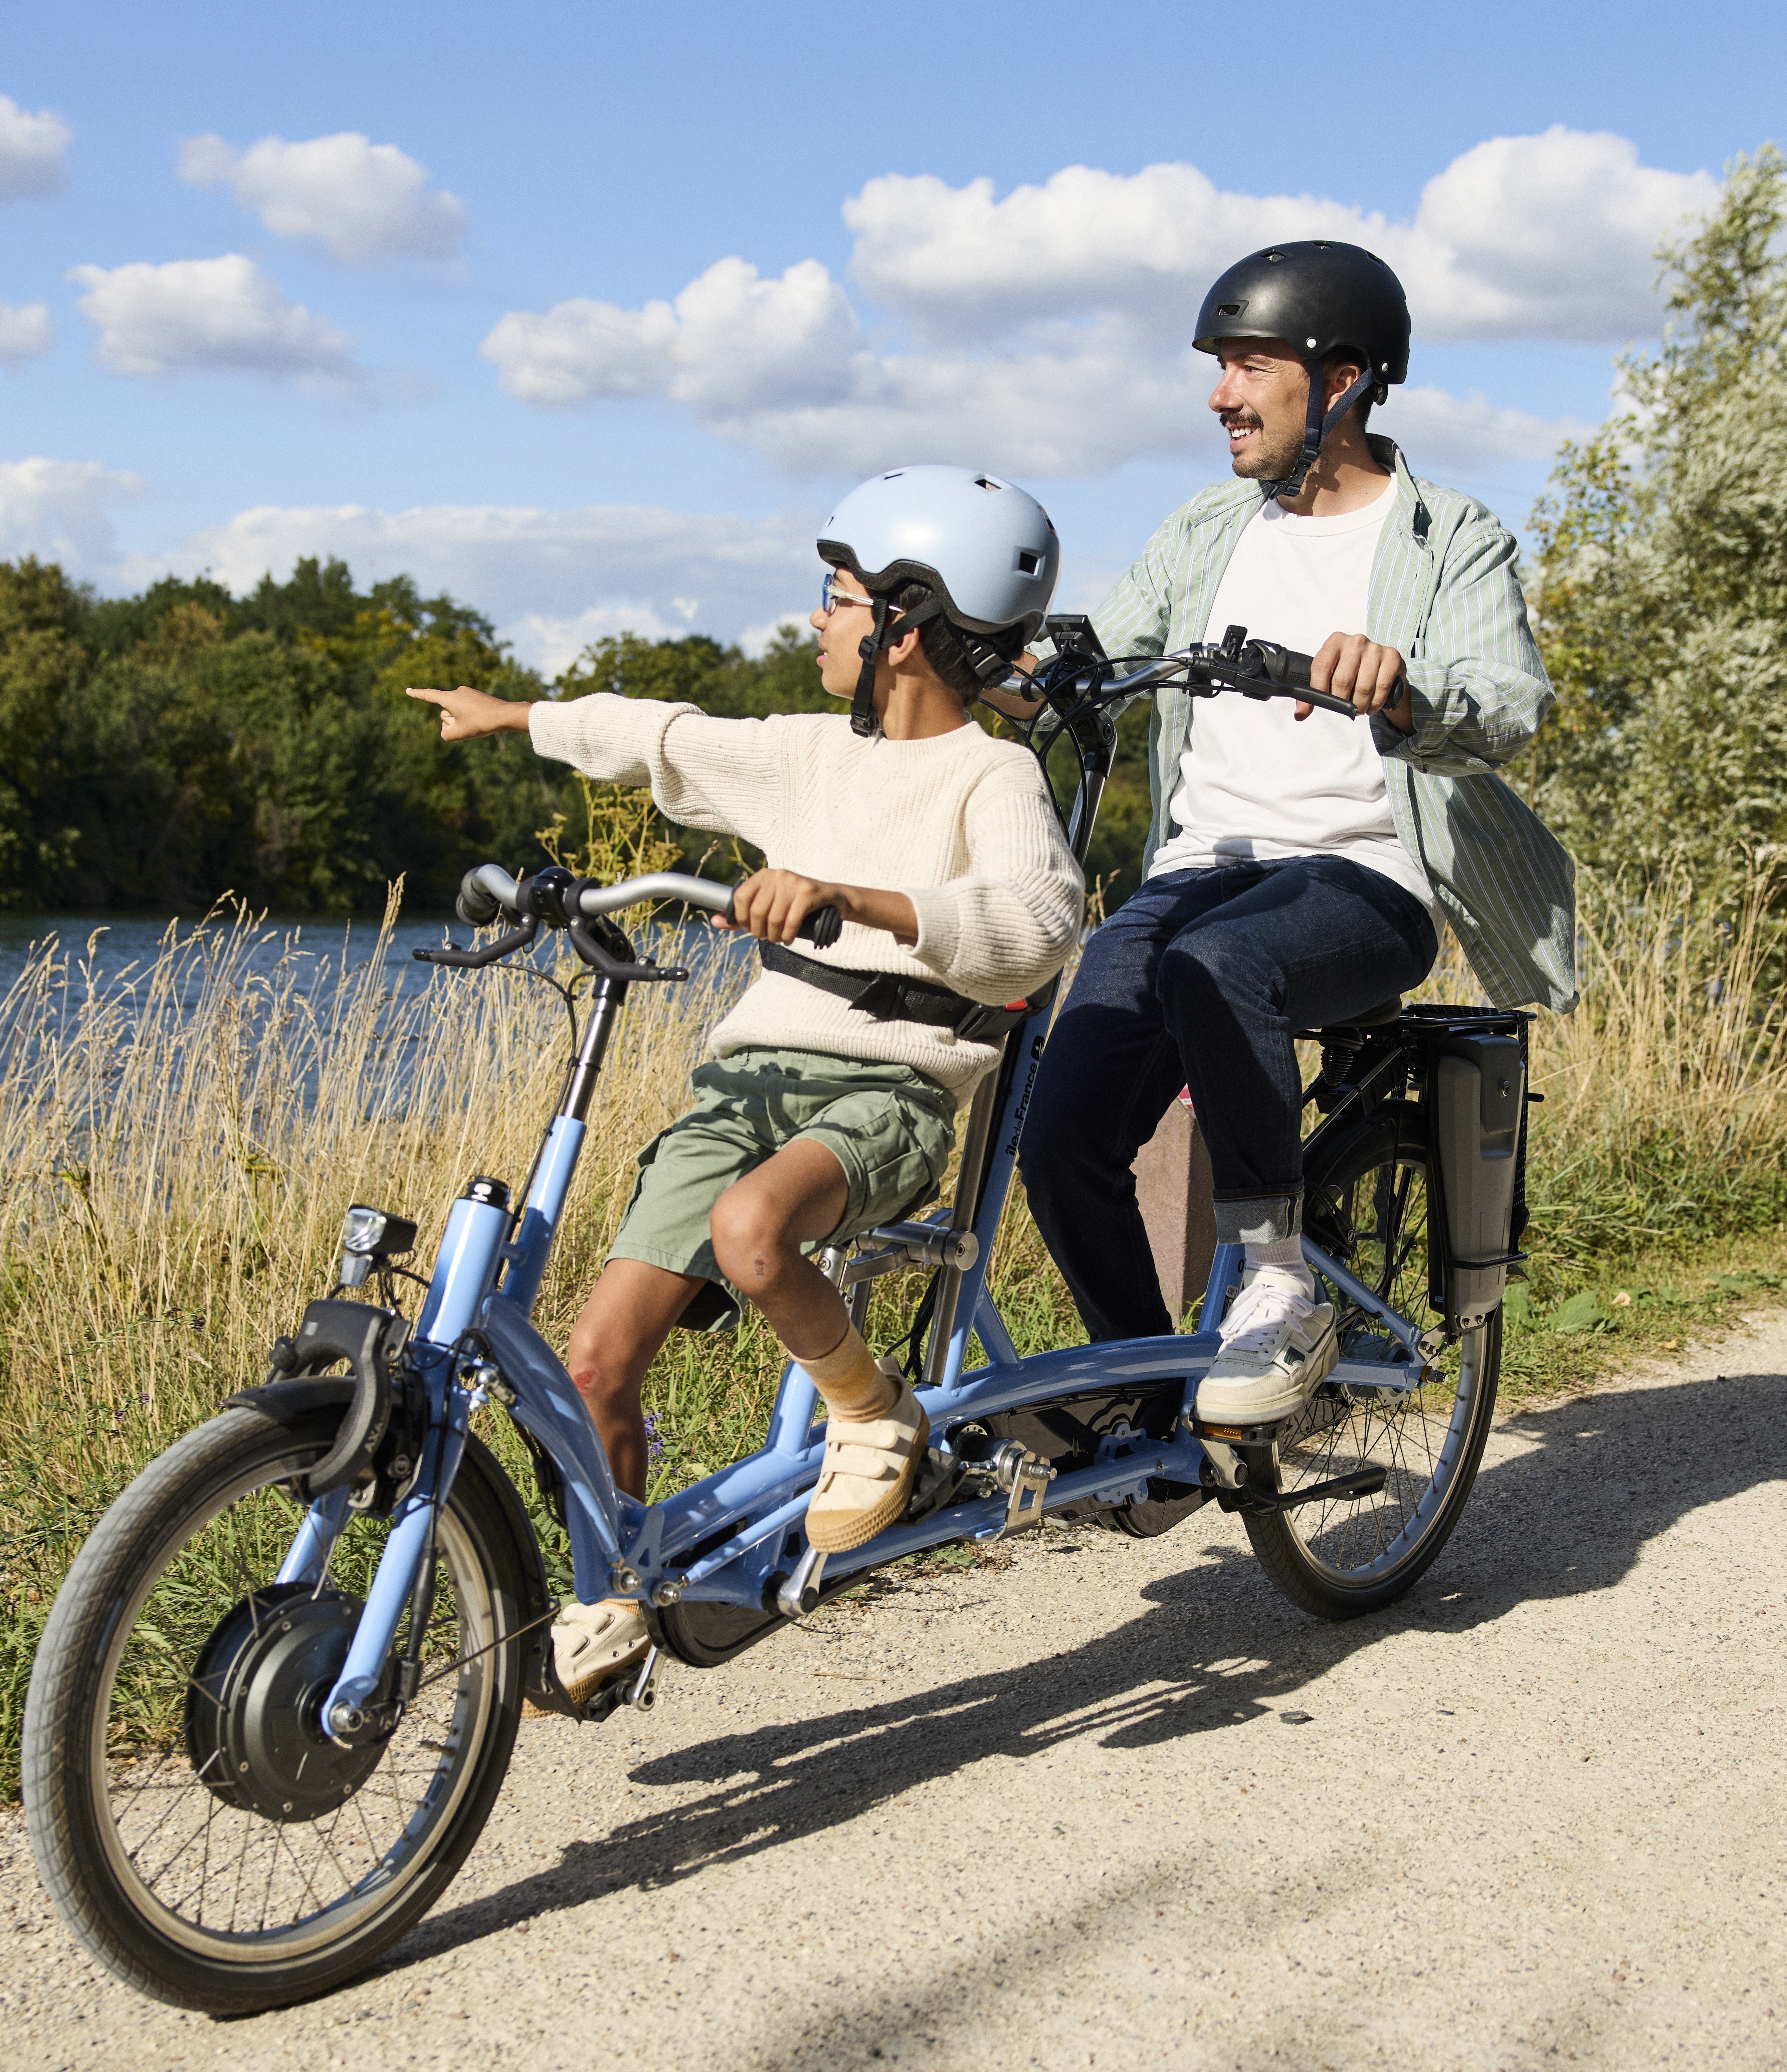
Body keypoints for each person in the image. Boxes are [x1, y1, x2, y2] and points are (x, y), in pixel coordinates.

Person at [409, 467, 1084, 1708]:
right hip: (750, 1082)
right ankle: (615, 1585)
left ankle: (871, 1411)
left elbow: (1037, 921)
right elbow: (662, 734)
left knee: (751, 1231)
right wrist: (514, 716)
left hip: (889, 1090)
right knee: (594, 1364)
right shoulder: (805, 756)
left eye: (835, 601)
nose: (814, 624)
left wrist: (858, 900)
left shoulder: (993, 778)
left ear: (907, 622)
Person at [1015, 240, 1577, 1427]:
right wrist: (992, 659)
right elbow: (1093, 668)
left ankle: (1277, 1288)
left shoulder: (1447, 534)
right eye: (1221, 365)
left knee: (1216, 966)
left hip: (1365, 880)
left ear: (1345, 380)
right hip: (1192, 874)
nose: (1221, 392)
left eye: (1250, 364)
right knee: (1057, 1136)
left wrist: (1405, 686)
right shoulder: (1207, 530)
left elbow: (1511, 704)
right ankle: (1156, 1398)